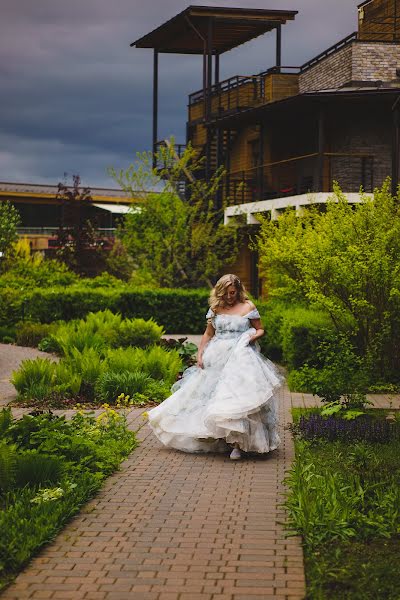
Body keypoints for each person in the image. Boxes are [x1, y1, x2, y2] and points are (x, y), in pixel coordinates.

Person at [148, 274, 282, 460]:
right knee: (211, 396)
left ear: (238, 290)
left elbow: (260, 328)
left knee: (237, 398)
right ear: (220, 292)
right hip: (216, 356)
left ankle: (239, 443)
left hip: (241, 357)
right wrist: (200, 353)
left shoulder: (248, 306)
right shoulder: (215, 308)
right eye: (226, 293)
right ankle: (221, 439)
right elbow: (208, 333)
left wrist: (250, 336)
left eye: (233, 293)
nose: (229, 297)